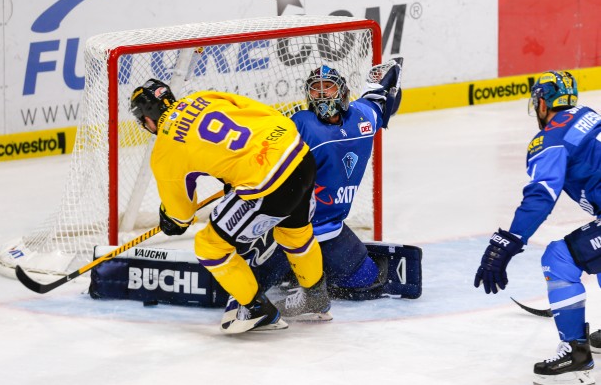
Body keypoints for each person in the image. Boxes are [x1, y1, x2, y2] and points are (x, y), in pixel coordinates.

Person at [222, 59, 422, 324]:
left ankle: (300, 277)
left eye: (328, 87)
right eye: (316, 89)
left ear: (343, 92)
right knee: (251, 289)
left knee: (366, 282)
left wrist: (389, 76)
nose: (323, 94)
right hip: (292, 230)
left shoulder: (362, 117)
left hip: (331, 228)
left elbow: (381, 99)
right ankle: (268, 280)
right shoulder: (300, 124)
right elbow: (264, 156)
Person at [129, 79, 331, 334]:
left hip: (268, 181)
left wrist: (169, 219)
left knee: (209, 246)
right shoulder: (203, 96)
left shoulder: (164, 150)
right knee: (293, 231)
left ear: (147, 119)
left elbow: (181, 217)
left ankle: (257, 310)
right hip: (298, 153)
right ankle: (315, 296)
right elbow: (261, 112)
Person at [473, 70, 601, 385]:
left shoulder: (551, 138)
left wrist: (507, 241)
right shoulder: (589, 115)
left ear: (542, 102)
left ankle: (576, 353)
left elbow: (541, 196)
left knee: (559, 258)